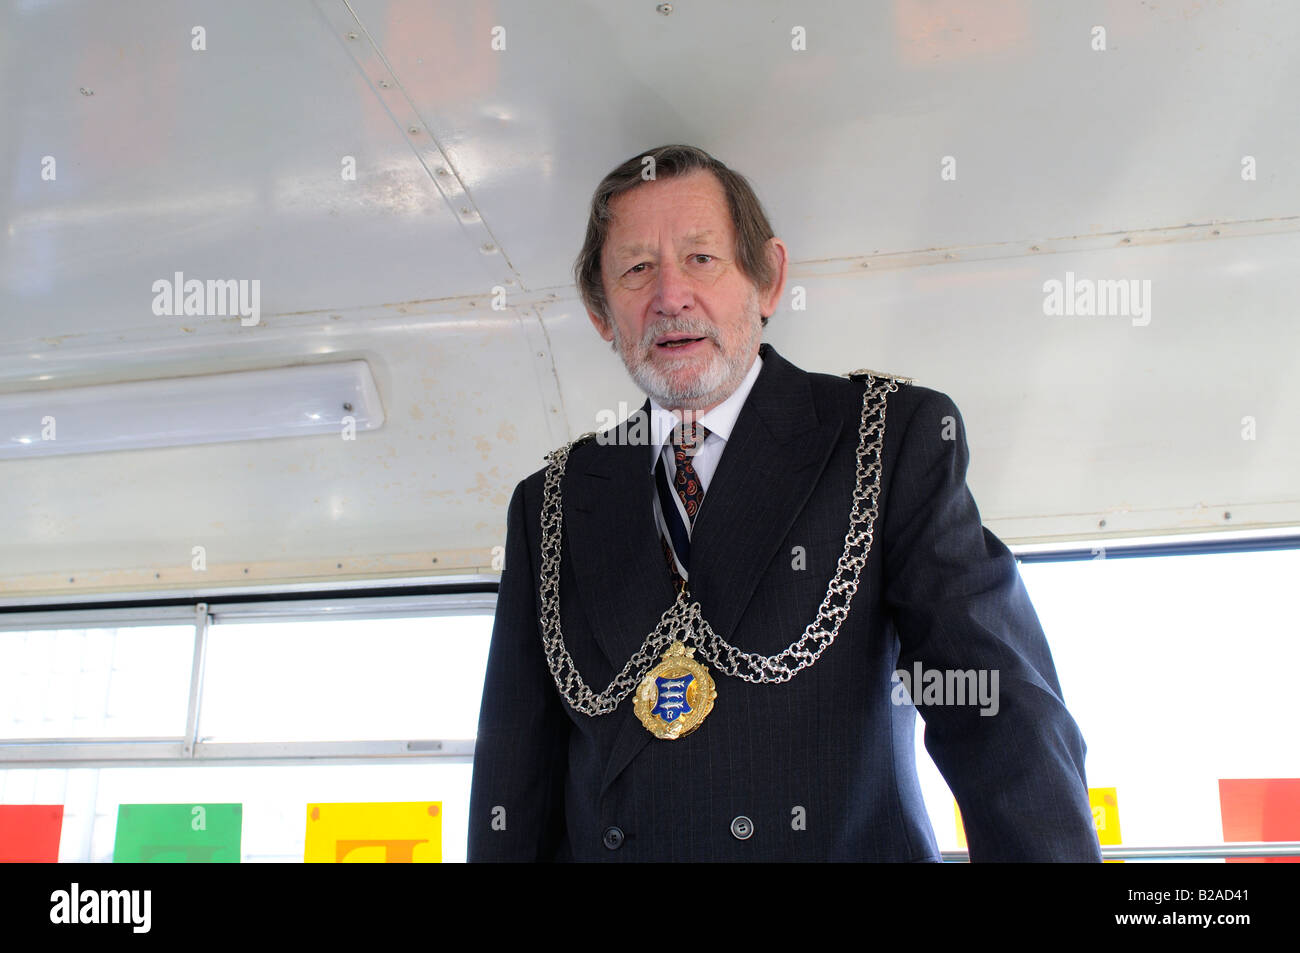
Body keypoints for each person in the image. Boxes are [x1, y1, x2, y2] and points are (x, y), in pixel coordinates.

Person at [468, 144, 1101, 862]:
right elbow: (513, 786)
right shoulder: (548, 504)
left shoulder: (885, 440)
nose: (670, 295)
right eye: (637, 268)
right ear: (600, 312)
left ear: (767, 280)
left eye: (701, 259)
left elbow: (995, 709)